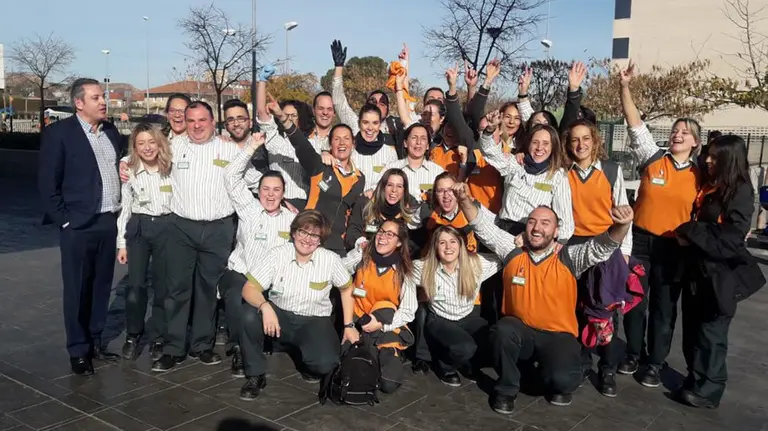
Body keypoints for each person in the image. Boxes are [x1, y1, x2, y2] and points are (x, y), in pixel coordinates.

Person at [453, 182, 634, 414]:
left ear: (556, 231)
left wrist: (622, 226)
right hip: (520, 331)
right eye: (532, 222)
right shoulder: (512, 250)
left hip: (557, 335)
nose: (537, 228)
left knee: (562, 382)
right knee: (502, 331)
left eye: (545, 223)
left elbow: (601, 247)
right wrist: (464, 200)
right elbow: (482, 226)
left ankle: (544, 371)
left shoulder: (569, 256)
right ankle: (507, 388)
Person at [152, 101, 262, 372]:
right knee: (177, 290)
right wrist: (123, 165)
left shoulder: (230, 148)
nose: (197, 126)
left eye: (202, 120)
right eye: (191, 121)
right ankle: (173, 348)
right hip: (181, 228)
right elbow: (142, 156)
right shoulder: (173, 146)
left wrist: (283, 196)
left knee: (208, 290)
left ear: (214, 122)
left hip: (218, 229)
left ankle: (201, 345)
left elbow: (255, 179)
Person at [618, 61, 701, 388]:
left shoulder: (700, 176)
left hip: (673, 248)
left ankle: (655, 362)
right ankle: (633, 353)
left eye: (685, 132)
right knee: (634, 301)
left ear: (695, 142)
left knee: (664, 308)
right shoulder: (653, 159)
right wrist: (625, 87)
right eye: (676, 130)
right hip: (640, 241)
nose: (678, 134)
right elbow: (635, 123)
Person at [38, 78, 122, 375]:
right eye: (96, 97)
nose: (103, 102)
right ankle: (78, 350)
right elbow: (47, 184)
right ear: (79, 103)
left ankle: (95, 341)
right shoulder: (59, 134)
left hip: (108, 221)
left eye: (103, 96)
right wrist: (66, 220)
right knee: (77, 289)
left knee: (101, 286)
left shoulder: (111, 131)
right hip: (78, 225)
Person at [674, 135, 765, 408]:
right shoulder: (710, 184)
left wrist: (691, 233)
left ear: (729, 159)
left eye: (715, 156)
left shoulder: (740, 192)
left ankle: (710, 388)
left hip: (719, 276)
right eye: (708, 154)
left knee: (712, 333)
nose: (708, 160)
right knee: (693, 329)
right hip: (697, 272)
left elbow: (731, 237)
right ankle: (695, 377)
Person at [237, 210, 359, 401]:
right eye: (303, 232)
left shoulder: (330, 260)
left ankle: (303, 356)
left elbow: (347, 288)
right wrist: (265, 306)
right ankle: (255, 374)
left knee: (325, 364)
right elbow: (249, 288)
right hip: (279, 316)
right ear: (294, 233)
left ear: (320, 240)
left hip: (314, 320)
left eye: (314, 235)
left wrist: (349, 325)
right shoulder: (277, 254)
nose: (307, 239)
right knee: (249, 315)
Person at [563, 119, 633, 397]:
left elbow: (624, 213)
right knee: (576, 308)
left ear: (594, 141)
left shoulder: (611, 171)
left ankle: (607, 368)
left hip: (606, 246)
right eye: (574, 139)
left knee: (605, 312)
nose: (580, 144)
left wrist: (624, 254)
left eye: (585, 138)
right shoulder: (562, 172)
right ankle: (582, 362)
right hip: (573, 247)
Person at [220, 133, 295, 378]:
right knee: (235, 296)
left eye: (276, 190)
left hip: (272, 279)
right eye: (266, 189)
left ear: (283, 193)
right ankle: (238, 348)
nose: (270, 195)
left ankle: (268, 340)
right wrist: (251, 146)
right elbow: (231, 176)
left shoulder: (292, 219)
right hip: (243, 272)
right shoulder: (249, 208)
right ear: (258, 191)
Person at [414, 225, 501, 387]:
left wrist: (519, 241)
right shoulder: (425, 267)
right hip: (440, 319)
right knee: (465, 347)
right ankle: (445, 366)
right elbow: (399, 268)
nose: (448, 247)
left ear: (461, 244)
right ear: (435, 247)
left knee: (494, 338)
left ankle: (466, 364)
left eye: (453, 241)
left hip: (468, 316)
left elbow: (505, 255)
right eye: (442, 242)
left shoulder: (476, 263)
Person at [115, 123, 173, 361]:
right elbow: (125, 207)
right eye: (141, 143)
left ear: (160, 144)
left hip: (166, 227)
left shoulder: (171, 167)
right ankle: (133, 334)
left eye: (151, 142)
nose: (147, 148)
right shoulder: (129, 169)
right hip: (139, 227)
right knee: (136, 286)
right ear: (135, 147)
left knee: (162, 287)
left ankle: (158, 336)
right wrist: (121, 242)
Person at [343, 219, 418, 393]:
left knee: (388, 384)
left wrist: (382, 326)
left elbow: (408, 311)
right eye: (381, 232)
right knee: (350, 369)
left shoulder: (405, 271)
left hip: (385, 323)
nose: (383, 237)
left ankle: (390, 352)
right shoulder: (363, 256)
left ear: (399, 242)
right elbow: (338, 269)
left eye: (390, 234)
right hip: (356, 320)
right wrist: (358, 250)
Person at [479, 110, 574, 240]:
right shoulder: (515, 164)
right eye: (535, 142)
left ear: (553, 146)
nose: (539, 147)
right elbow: (490, 152)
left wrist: (559, 240)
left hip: (535, 237)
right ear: (528, 143)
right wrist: (490, 129)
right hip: (504, 232)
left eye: (546, 143)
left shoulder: (557, 176)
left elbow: (565, 219)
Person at [345, 168, 421, 252]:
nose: (394, 190)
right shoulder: (365, 203)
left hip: (398, 256)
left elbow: (416, 241)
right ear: (383, 186)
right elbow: (352, 233)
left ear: (404, 190)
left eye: (399, 186)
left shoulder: (411, 209)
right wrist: (364, 245)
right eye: (389, 185)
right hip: (367, 253)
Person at [376, 123, 445, 202]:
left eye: (423, 138)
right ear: (405, 143)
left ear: (428, 145)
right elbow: (377, 192)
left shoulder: (438, 172)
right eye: (414, 138)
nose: (418, 142)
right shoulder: (390, 169)